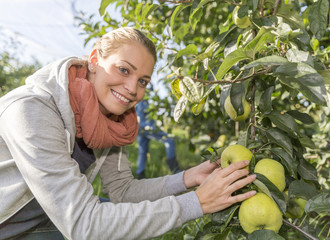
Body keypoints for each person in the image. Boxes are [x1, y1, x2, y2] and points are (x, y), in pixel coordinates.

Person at [0, 27, 257, 240]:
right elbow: (83, 224)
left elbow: (122, 192)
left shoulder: (109, 120)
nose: (133, 88)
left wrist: (188, 178)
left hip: (47, 216)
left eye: (143, 81)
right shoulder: (31, 110)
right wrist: (196, 203)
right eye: (124, 70)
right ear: (94, 60)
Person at [136, 96, 181, 179]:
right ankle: (174, 169)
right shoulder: (146, 92)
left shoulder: (138, 93)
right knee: (169, 140)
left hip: (140, 128)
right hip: (147, 127)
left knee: (142, 151)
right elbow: (145, 110)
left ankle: (140, 174)